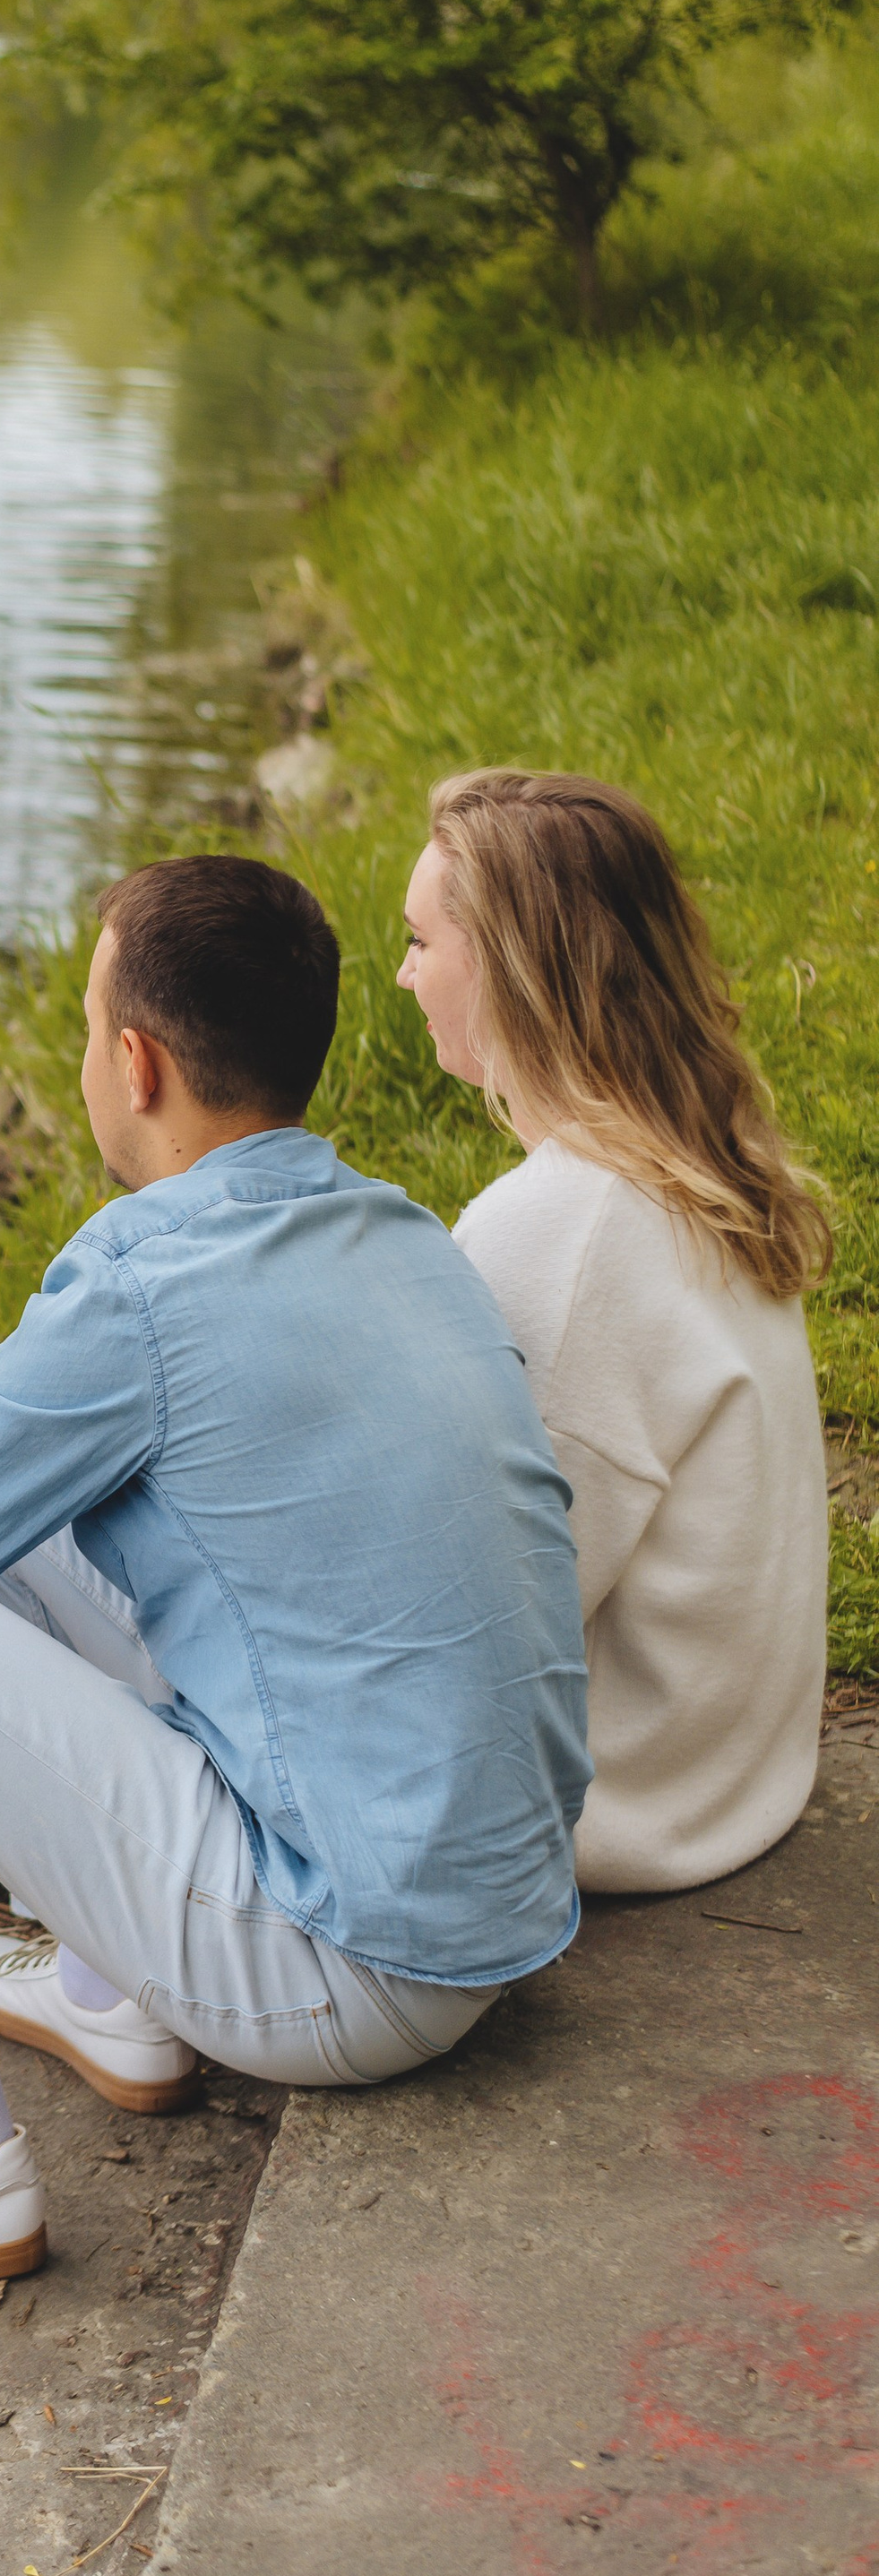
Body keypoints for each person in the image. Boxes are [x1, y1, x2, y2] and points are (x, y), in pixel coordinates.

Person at [0, 855, 590, 2290]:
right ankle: (102, 1987)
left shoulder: (144, 1281)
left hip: (337, 1967)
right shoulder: (396, 1230)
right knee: (28, 1496)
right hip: (488, 1910)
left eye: (88, 1030)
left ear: (133, 1065)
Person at [398, 769, 831, 1892]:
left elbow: (473, 1615)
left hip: (618, 1804)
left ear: (503, 969)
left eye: (419, 941)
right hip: (732, 1775)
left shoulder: (565, 1229)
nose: (404, 974)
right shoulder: (703, 1161)